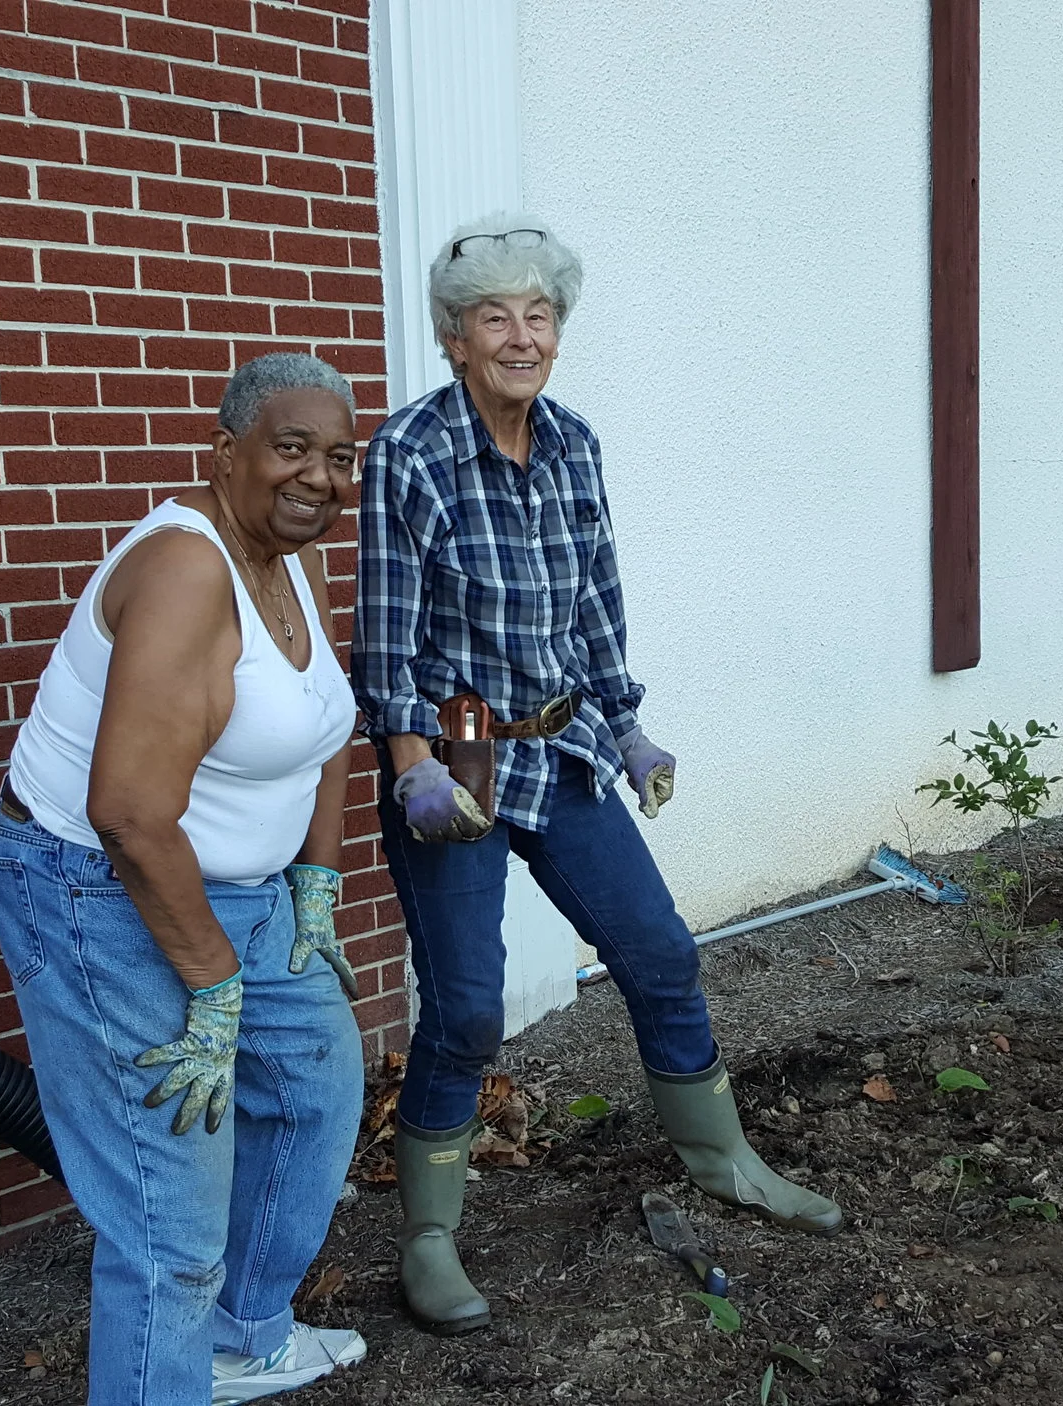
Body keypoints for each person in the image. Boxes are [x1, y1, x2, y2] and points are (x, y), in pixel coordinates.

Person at [353, 217, 842, 1337]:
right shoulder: (410, 453)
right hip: (459, 759)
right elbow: (385, 631)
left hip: (562, 747)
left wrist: (628, 729)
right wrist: (410, 760)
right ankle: (428, 1235)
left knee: (660, 953)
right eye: (495, 317)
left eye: (540, 315)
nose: (521, 336)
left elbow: (594, 605)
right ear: (454, 337)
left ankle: (723, 1160)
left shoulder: (573, 444)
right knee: (468, 1007)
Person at [0, 353, 369, 1404]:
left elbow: (324, 723)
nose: (320, 478)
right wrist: (213, 984)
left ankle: (241, 1341)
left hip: (235, 888)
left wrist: (317, 879)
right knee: (169, 1216)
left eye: (341, 458)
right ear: (224, 452)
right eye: (292, 449)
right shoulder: (185, 571)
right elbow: (126, 812)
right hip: (95, 891)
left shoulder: (293, 557)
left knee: (315, 1090)